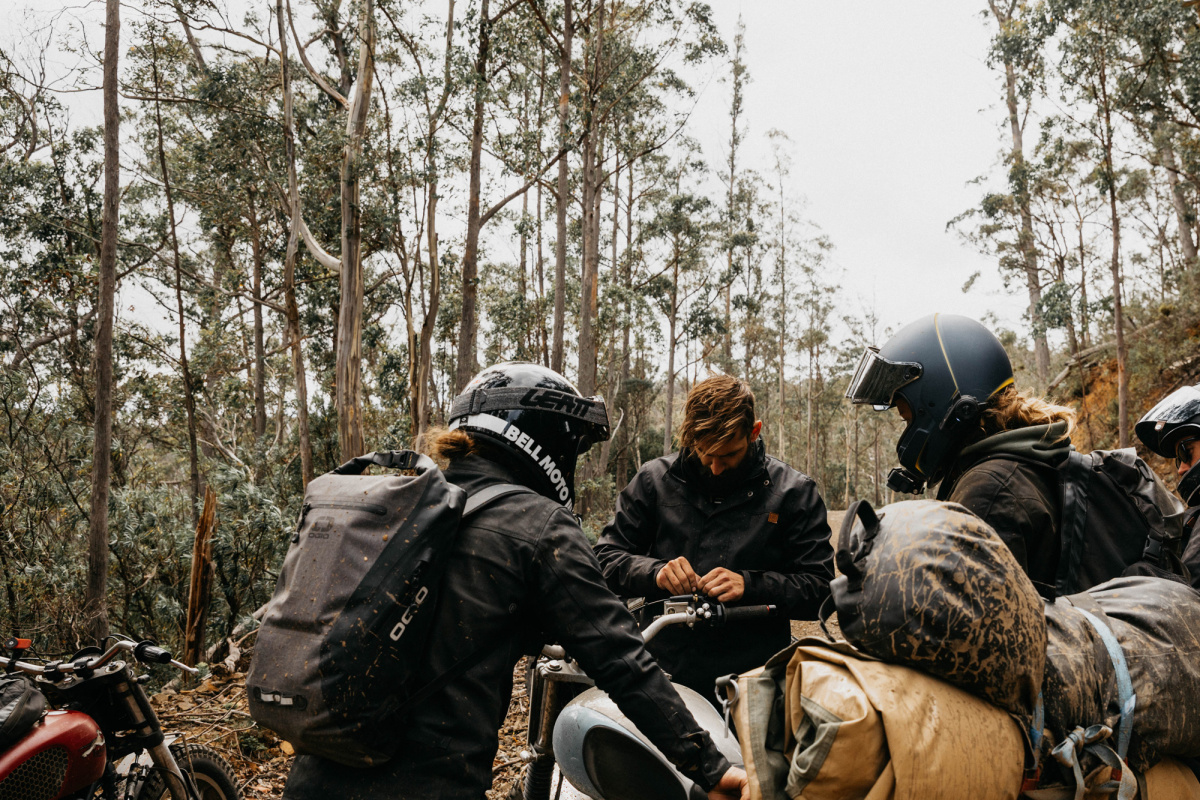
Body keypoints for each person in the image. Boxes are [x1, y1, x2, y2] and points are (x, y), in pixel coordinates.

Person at [281, 362, 747, 800]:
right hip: (429, 783)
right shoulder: (537, 525)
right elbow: (622, 662)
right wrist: (710, 766)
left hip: (316, 769)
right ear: (546, 439)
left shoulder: (410, 504)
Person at [845, 312, 1176, 599]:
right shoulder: (1032, 460)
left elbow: (971, 637)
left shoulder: (989, 488)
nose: (906, 430)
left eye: (907, 416)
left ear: (947, 404)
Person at [594, 374, 834, 703]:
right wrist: (656, 573)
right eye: (706, 453)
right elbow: (605, 559)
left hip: (755, 682)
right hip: (663, 677)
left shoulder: (793, 492)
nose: (717, 467)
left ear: (755, 431)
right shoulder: (654, 482)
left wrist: (751, 586)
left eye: (730, 455)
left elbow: (820, 588)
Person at [1136, 383, 1200, 588]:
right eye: (1177, 460)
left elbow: (1189, 601)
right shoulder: (1193, 519)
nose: (1181, 469)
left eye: (1185, 452)